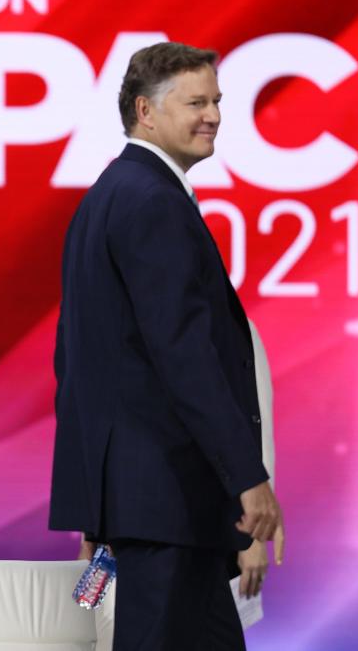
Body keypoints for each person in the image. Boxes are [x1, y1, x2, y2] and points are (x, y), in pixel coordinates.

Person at [49, 42, 285, 650]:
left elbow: (73, 358)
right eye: (195, 102)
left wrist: (95, 495)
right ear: (145, 112)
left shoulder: (112, 193)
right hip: (165, 497)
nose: (212, 115)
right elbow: (185, 356)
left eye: (216, 101)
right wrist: (247, 475)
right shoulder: (152, 200)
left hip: (157, 498)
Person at [79, 319, 284, 651]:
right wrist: (90, 526)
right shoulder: (114, 328)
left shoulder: (228, 327)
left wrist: (253, 539)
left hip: (203, 531)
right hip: (129, 531)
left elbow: (256, 432)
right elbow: (101, 435)